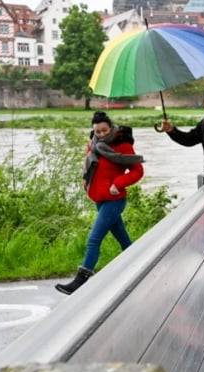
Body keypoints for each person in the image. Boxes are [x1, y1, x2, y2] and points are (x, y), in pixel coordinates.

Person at [56, 111, 145, 295]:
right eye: (98, 131)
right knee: (124, 240)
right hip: (100, 200)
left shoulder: (122, 144)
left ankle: (80, 281)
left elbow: (137, 171)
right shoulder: (94, 144)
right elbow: (91, 166)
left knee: (93, 239)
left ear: (111, 128)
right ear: (93, 130)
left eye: (105, 130)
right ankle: (141, 266)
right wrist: (85, 178)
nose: (102, 134)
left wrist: (118, 183)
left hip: (115, 200)